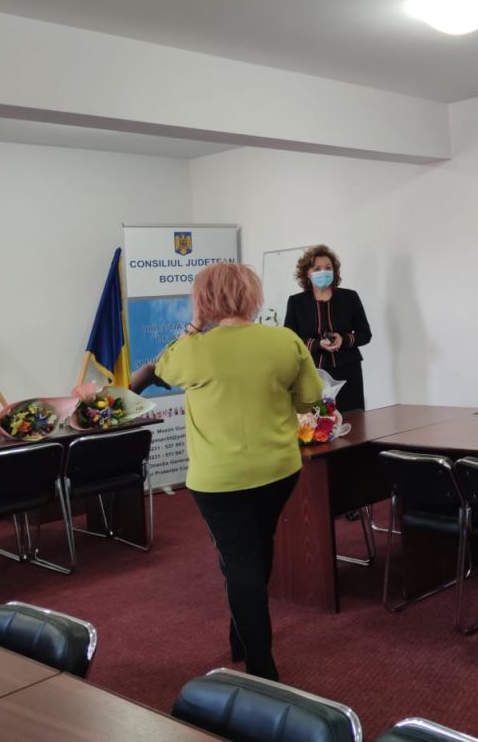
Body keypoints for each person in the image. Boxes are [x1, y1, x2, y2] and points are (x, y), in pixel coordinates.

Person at [156, 262, 323, 680]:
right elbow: (310, 398)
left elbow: (162, 369)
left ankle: (261, 667)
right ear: (253, 295)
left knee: (240, 559)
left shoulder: (193, 350)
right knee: (257, 547)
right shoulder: (284, 340)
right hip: (279, 469)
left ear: (203, 301)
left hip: (219, 479)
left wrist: (195, 324)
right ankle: (240, 635)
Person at [284, 245, 371, 413]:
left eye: (328, 268)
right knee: (320, 420)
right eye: (317, 269)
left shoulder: (349, 297)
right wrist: (317, 344)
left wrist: (343, 340)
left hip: (348, 370)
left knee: (353, 417)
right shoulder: (297, 302)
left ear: (334, 271)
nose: (323, 272)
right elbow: (290, 339)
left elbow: (365, 334)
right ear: (307, 273)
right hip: (313, 372)